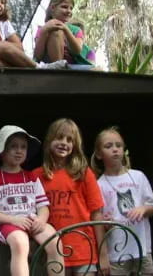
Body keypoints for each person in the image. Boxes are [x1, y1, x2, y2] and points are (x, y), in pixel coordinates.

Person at [0, 125, 65, 276]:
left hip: (32, 220)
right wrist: (14, 220)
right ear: (2, 151)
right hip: (5, 224)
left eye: (23, 147)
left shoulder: (31, 177)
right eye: (13, 146)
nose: (19, 151)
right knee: (20, 243)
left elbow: (43, 206)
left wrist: (42, 219)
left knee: (55, 241)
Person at [32, 118, 109, 276]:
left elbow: (97, 214)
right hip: (53, 252)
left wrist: (103, 254)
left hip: (84, 250)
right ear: (49, 141)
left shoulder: (84, 173)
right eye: (59, 137)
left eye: (69, 140)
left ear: (75, 145)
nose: (64, 143)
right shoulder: (36, 176)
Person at [92, 127, 153, 276]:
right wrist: (105, 223)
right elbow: (98, 220)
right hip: (116, 252)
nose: (115, 149)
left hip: (141, 248)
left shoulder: (138, 176)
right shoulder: (99, 184)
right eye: (108, 146)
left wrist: (143, 209)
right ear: (98, 154)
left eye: (118, 145)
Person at [34, 0, 93, 66]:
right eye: (64, 7)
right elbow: (37, 56)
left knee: (98, 70)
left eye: (71, 8)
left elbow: (77, 50)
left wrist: (66, 30)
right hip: (50, 67)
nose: (69, 11)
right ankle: (58, 67)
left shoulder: (76, 30)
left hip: (72, 66)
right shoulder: (42, 29)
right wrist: (44, 31)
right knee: (56, 31)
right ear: (53, 7)